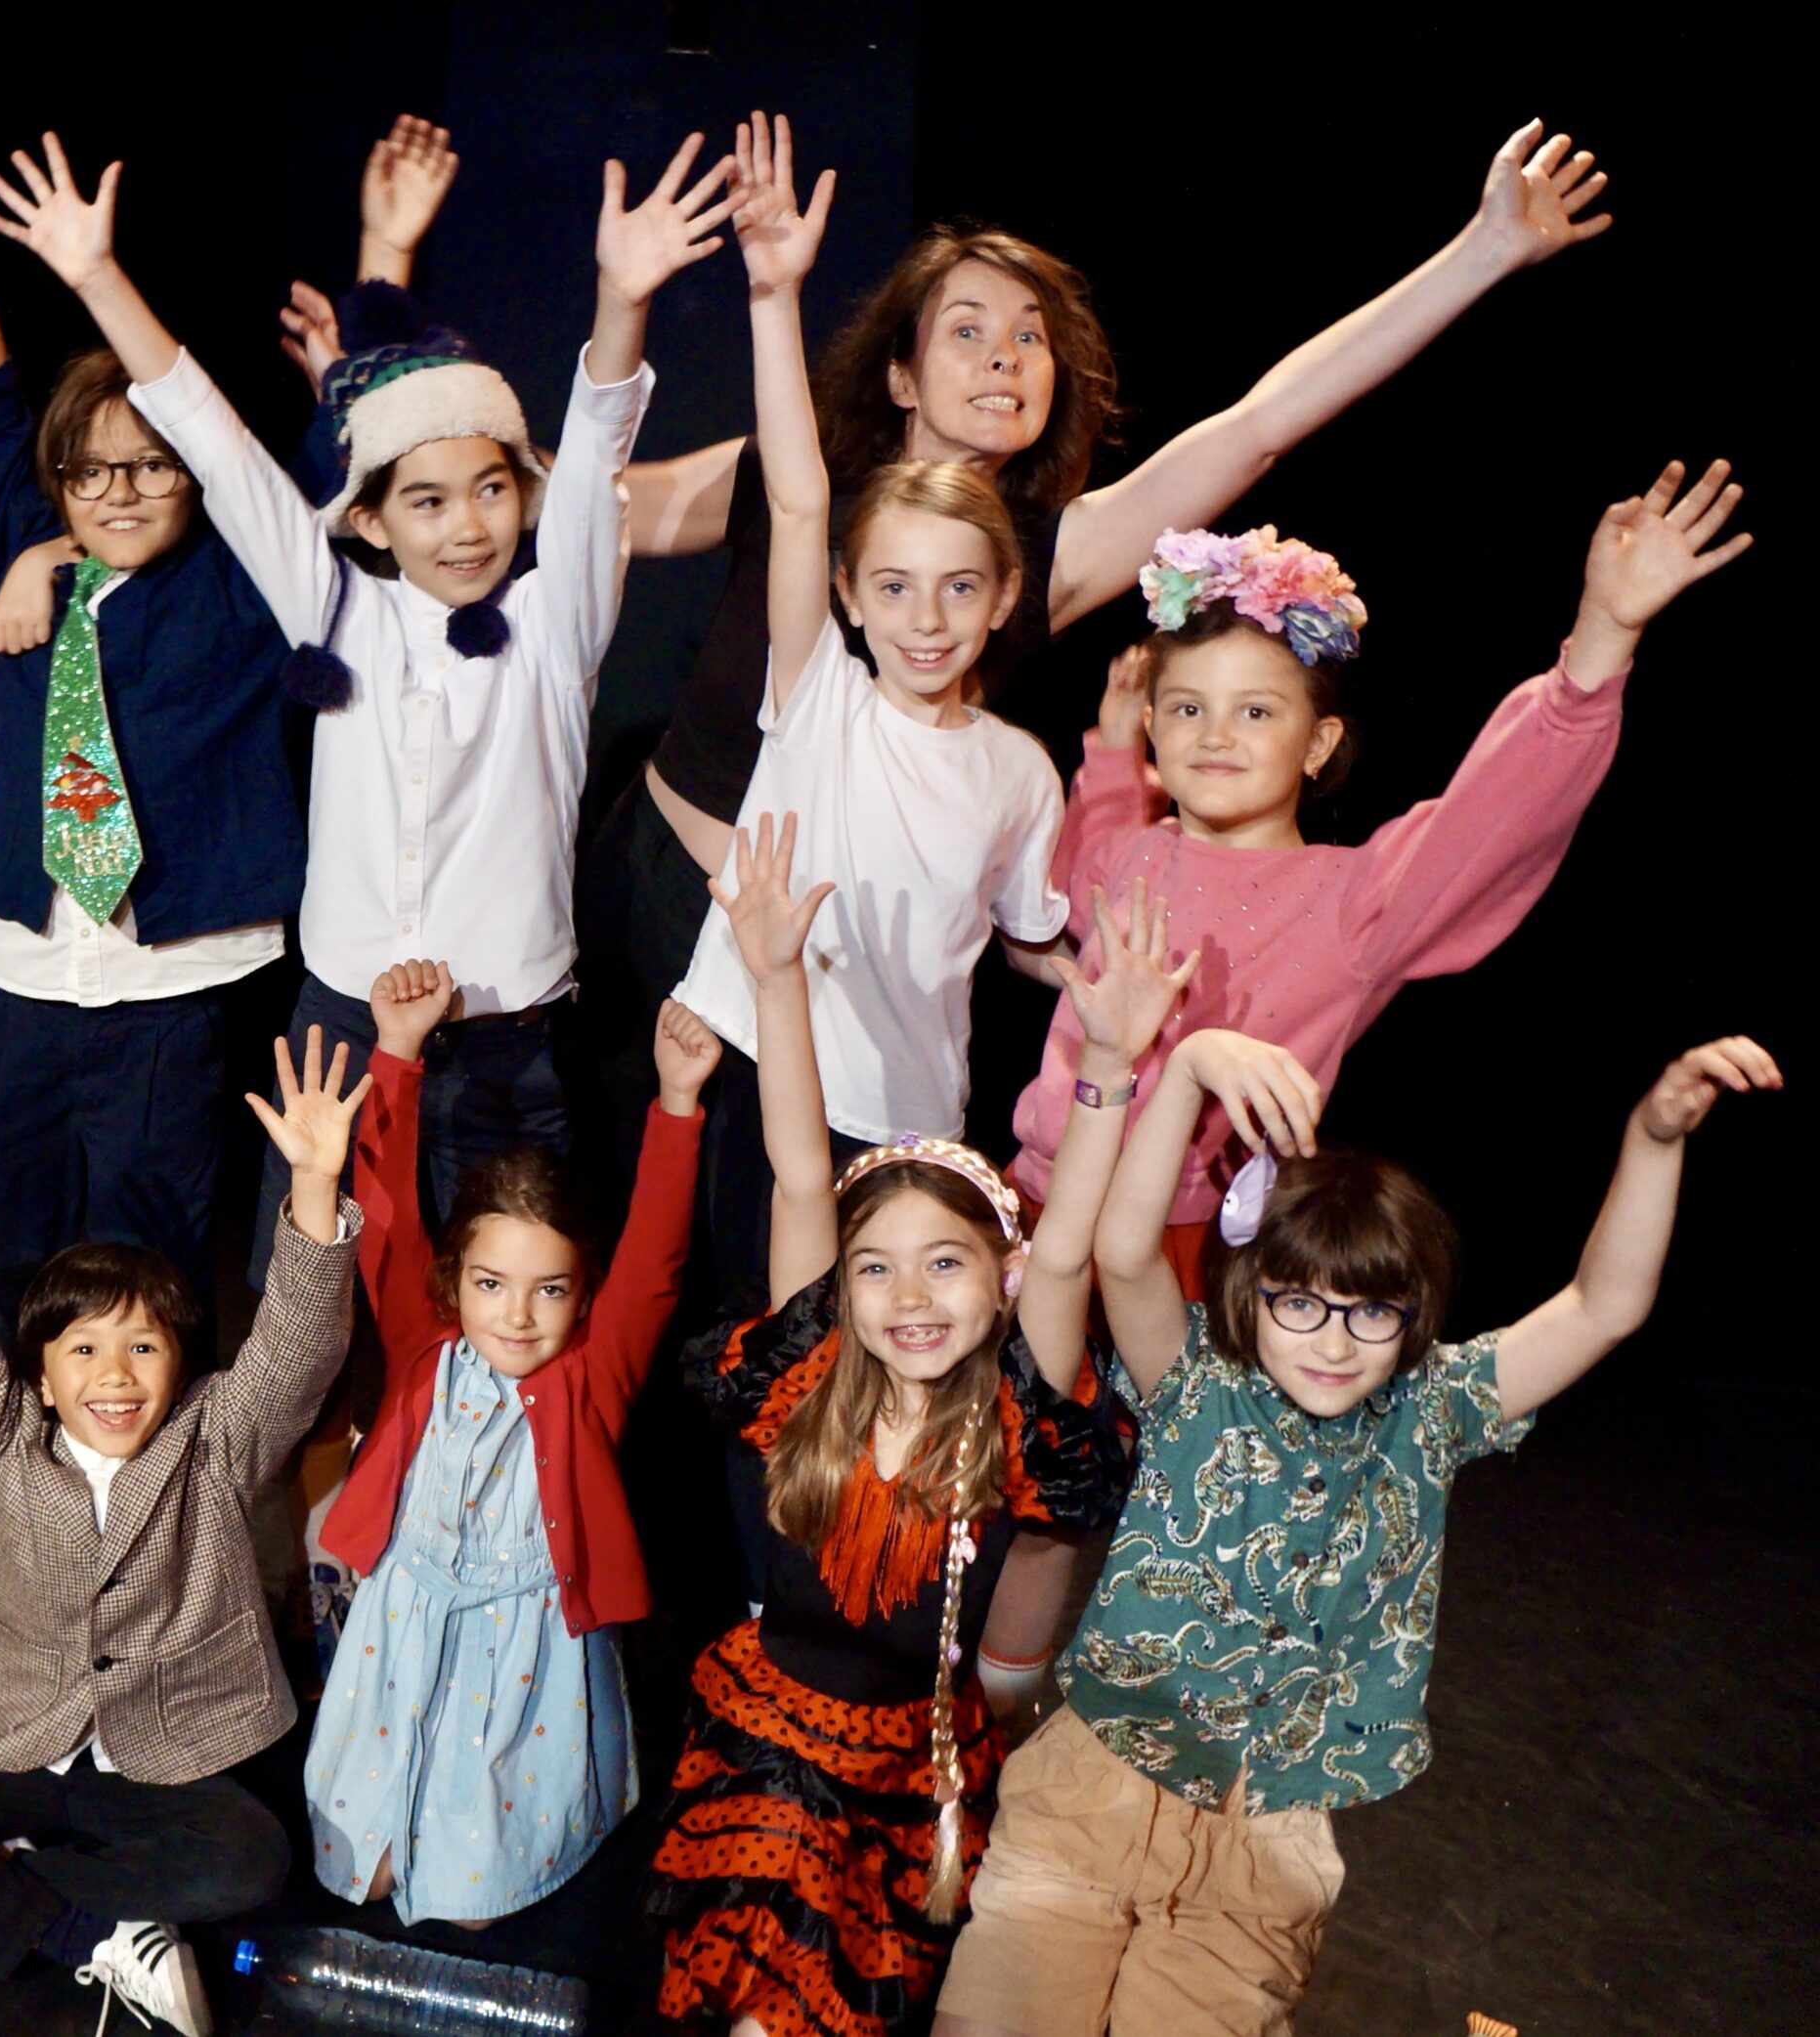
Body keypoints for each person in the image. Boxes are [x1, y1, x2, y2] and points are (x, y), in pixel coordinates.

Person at [586, 117, 1619, 1110]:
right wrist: (618, 310)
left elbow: (1259, 426)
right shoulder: (794, 482)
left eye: (1029, 338)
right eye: (967, 330)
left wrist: (1482, 251)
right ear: (899, 374)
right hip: (665, 888)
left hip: (851, 963)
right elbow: (586, 504)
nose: (1004, 356)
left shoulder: (1051, 556)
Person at [0, 121, 734, 1265]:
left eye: (490, 489)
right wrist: (94, 275)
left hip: (504, 1048)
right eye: (427, 499)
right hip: (339, 1034)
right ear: (368, 519)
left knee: (501, 1318)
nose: (467, 523)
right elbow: (214, 444)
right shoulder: (336, 607)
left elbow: (594, 456)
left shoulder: (553, 623)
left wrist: (621, 301)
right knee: (310, 1316)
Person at [932, 1026, 1782, 2037]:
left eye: (1371, 1311)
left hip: (1264, 1841)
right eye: (1299, 1303)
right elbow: (1123, 1248)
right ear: (1250, 1295)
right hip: (1096, 1785)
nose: (1334, 1340)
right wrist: (1191, 1066)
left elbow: (1603, 1305)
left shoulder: (1433, 1410)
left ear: (1412, 1314)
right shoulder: (1196, 1380)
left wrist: (1652, 1136)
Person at [647, 818, 1175, 2037]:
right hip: (766, 1750)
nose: (909, 1295)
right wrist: (776, 977)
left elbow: (1069, 1251)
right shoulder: (809, 1379)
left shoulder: (1006, 1417)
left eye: (945, 1261)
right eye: (875, 1266)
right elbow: (797, 1169)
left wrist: (1106, 1065)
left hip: (898, 1775)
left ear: (998, 1277)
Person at [1012, 456, 1752, 1286]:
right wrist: (1114, 753)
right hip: (1035, 1206)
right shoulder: (1136, 852)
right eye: (1188, 709)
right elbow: (1078, 874)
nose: (1215, 735)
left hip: (1182, 1251)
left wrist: (1603, 635)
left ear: (1317, 744)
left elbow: (1495, 815)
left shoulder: (1353, 900)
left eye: (1255, 711)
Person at [0, 65, 314, 1368]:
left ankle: (151, 1483)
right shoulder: (28, 548)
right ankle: (15, 1472)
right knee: (4, 1250)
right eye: (89, 470)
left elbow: (253, 467)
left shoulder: (240, 583)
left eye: (148, 464)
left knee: (149, 1271)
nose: (117, 490)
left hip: (174, 988)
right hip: (28, 975)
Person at [0, 1028, 368, 2036]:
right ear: (43, 1379)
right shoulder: (1, 1435)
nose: (116, 1374)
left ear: (181, 1366)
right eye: (83, 1349)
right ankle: (97, 1929)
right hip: (17, 1752)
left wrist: (314, 1182)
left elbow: (299, 1344)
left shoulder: (216, 1441)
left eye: (144, 1346)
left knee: (249, 1860)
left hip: (158, 1764)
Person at [672, 114, 1070, 1304]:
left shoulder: (1019, 771)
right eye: (893, 586)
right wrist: (772, 293)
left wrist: (1112, 986)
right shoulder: (818, 696)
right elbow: (799, 499)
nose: (926, 618)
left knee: (887, 1354)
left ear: (1005, 597)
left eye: (959, 588)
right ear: (847, 594)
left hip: (911, 1118)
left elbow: (1025, 933)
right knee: (756, 1346)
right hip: (766, 1069)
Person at [306, 962, 715, 1923]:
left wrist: (677, 1103)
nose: (519, 1316)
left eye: (550, 1289)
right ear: (455, 1280)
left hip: (522, 1648)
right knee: (362, 1872)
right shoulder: (425, 1345)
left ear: (583, 1292)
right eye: (491, 1284)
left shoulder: (590, 1376)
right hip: (406, 1621)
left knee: (474, 1900)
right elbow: (384, 1221)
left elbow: (654, 1260)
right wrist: (395, 1053)